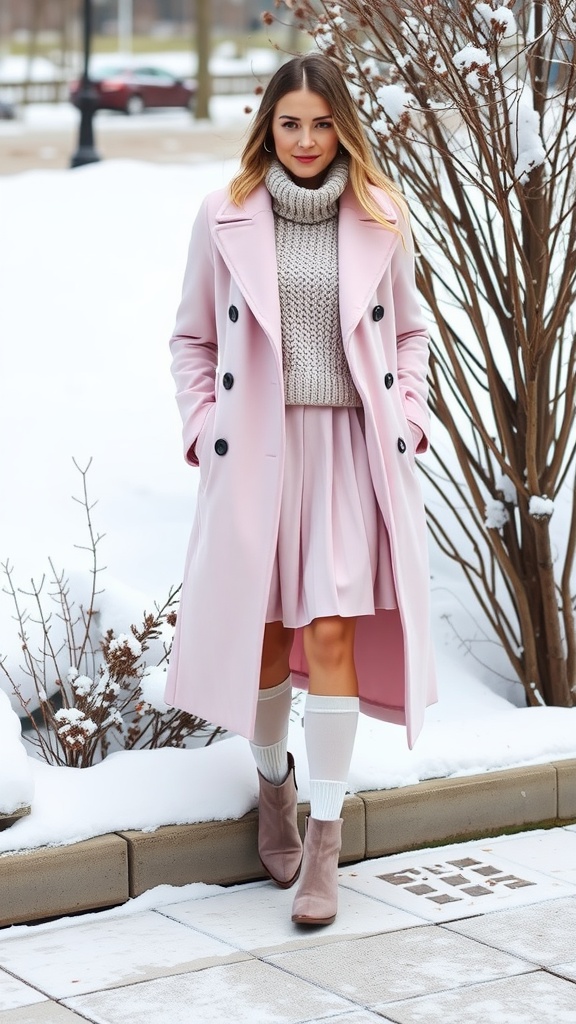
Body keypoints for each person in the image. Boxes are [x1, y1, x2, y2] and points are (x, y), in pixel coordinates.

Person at [165, 52, 436, 927]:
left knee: (328, 636)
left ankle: (326, 840)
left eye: (323, 123)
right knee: (263, 639)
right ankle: (272, 785)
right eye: (292, 123)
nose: (309, 140)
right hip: (255, 455)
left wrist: (408, 419)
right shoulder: (224, 216)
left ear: (343, 125)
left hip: (349, 455)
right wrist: (203, 425)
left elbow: (413, 334)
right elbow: (191, 341)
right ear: (268, 127)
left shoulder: (381, 216)